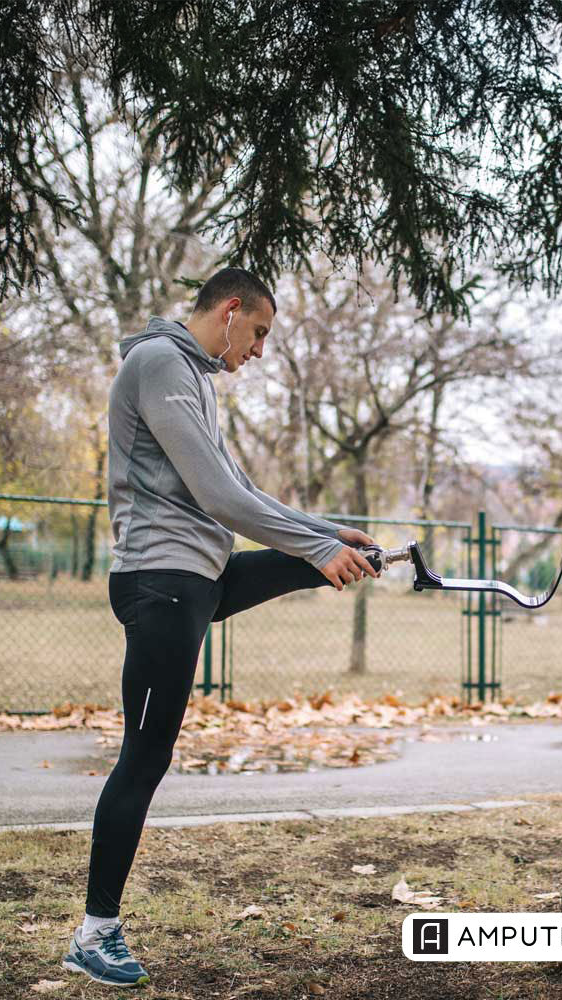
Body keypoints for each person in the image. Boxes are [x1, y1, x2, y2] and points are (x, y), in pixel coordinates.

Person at [63, 267, 379, 987]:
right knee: (143, 760)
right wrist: (315, 546)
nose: (260, 350)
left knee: (317, 563)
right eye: (259, 332)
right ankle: (93, 934)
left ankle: (347, 557)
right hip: (161, 581)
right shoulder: (159, 364)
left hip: (195, 577)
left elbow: (239, 492)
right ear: (231, 311)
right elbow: (216, 496)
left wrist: (326, 537)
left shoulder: (193, 378)